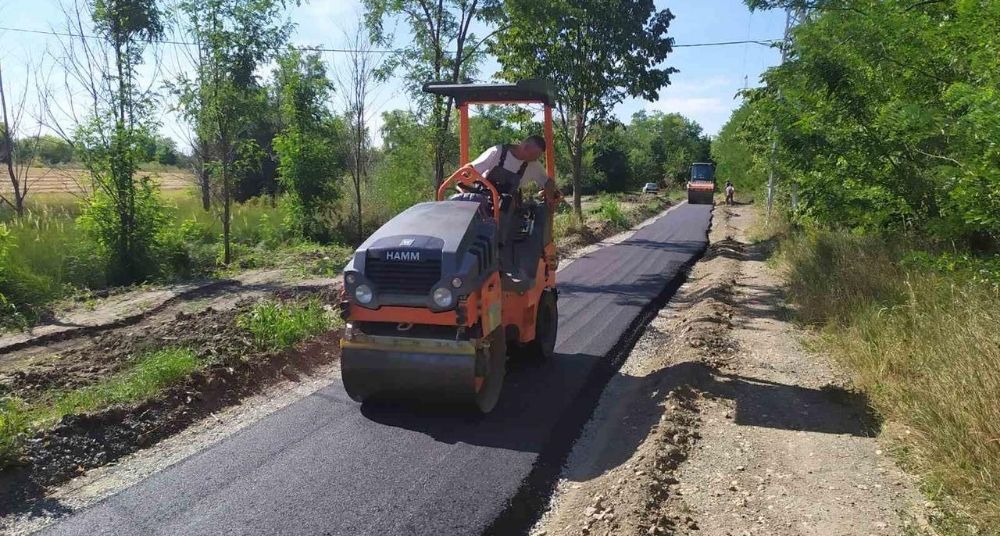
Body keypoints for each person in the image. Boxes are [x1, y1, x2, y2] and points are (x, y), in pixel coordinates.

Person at [469, 135, 556, 204]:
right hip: (483, 200)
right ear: (526, 148)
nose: (535, 159)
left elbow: (548, 182)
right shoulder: (498, 152)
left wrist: (550, 198)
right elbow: (471, 169)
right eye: (535, 155)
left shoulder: (534, 165)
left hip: (508, 209)